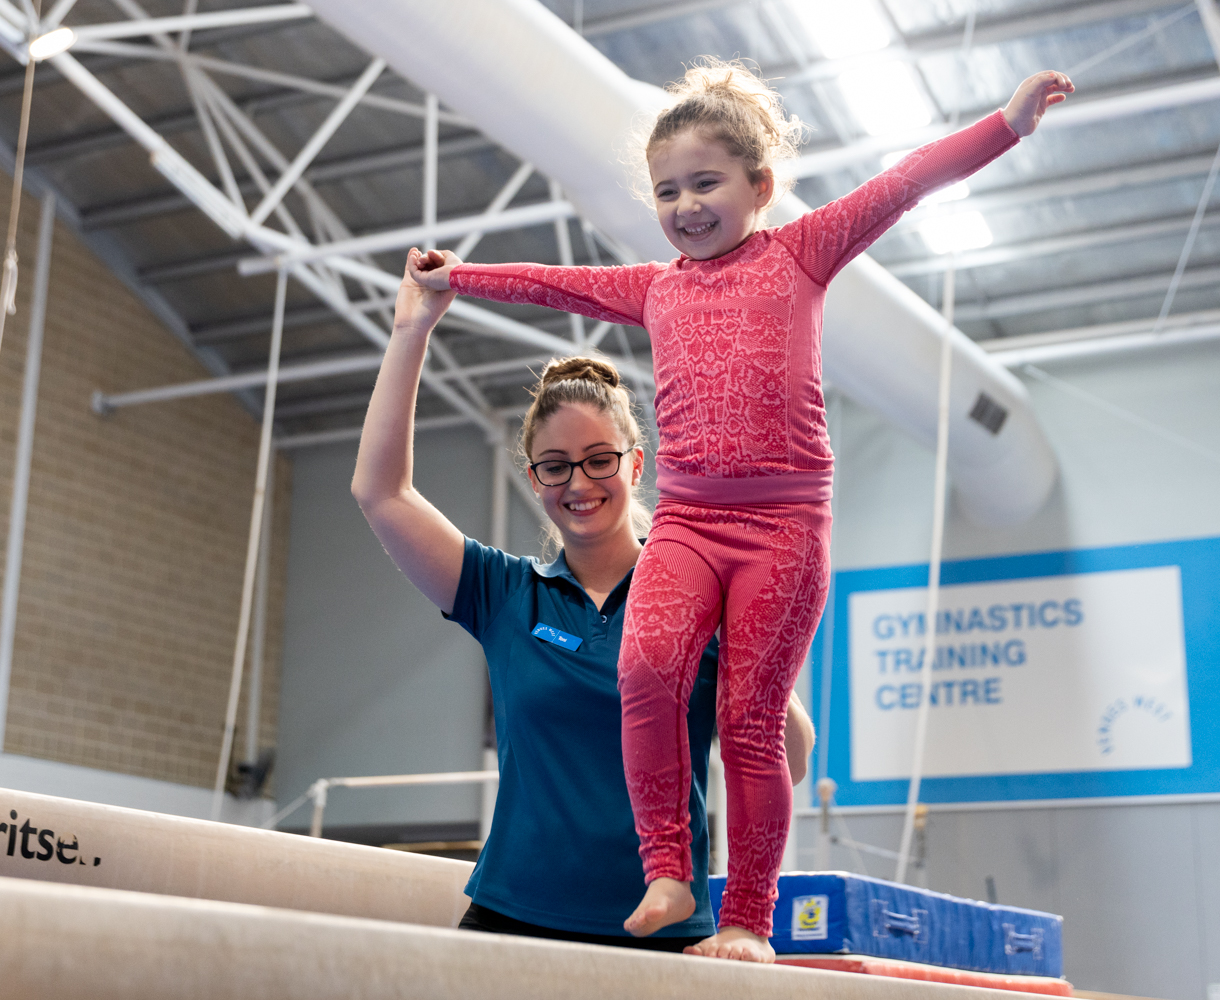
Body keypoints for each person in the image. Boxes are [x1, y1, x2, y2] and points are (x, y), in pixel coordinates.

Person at [409, 60, 1074, 961]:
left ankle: (749, 920)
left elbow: (904, 185)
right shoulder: (658, 287)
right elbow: (555, 283)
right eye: (666, 190)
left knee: (750, 723)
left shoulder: (803, 252)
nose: (684, 204)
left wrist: (1007, 124)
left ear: (760, 187)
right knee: (645, 672)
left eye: (705, 183)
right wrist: (463, 278)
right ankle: (668, 870)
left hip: (783, 531)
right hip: (685, 522)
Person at [350, 266, 815, 949]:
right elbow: (381, 493)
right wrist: (411, 330)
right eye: (556, 466)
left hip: (664, 930)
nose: (579, 483)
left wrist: (746, 632)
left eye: (600, 460)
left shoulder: (700, 609)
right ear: (534, 478)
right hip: (515, 916)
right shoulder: (504, 594)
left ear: (636, 464)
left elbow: (792, 758)